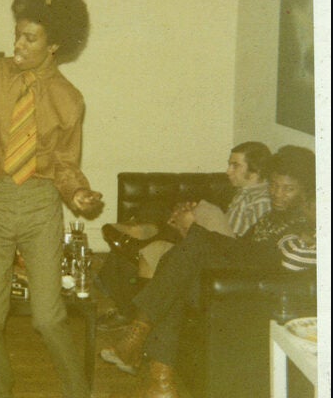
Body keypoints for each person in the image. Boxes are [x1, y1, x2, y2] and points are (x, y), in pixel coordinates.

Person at [0, 0, 103, 398]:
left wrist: (79, 194)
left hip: (39, 205)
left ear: (54, 45)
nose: (18, 43)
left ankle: (77, 391)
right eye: (17, 32)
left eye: (30, 37)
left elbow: (65, 165)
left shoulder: (69, 99)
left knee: (48, 318)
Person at [100, 146, 316, 398]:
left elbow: (288, 258)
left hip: (255, 285)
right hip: (239, 272)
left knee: (196, 242)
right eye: (274, 186)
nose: (277, 194)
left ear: (306, 191)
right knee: (181, 268)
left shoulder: (309, 220)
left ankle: (136, 337)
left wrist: (293, 237)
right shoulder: (273, 216)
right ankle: (160, 382)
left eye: (287, 189)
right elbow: (244, 244)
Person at [97, 141, 273, 332]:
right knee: (155, 238)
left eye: (235, 166)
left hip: (224, 255)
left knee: (206, 209)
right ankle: (145, 235)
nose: (228, 171)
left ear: (255, 172)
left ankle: (145, 231)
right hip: (211, 242)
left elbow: (236, 244)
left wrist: (195, 221)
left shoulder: (261, 201)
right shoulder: (243, 192)